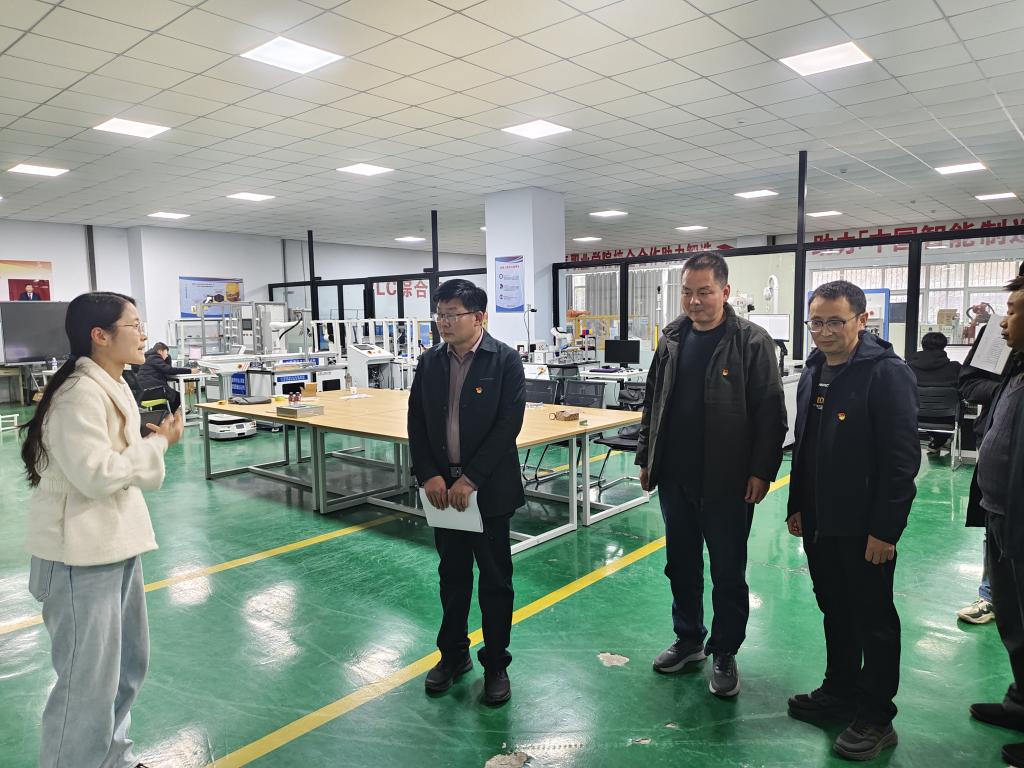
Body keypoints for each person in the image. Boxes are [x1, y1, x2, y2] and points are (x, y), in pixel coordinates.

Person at [20, 292, 184, 768]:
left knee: (126, 668)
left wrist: (153, 445)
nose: (144, 335)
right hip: (77, 555)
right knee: (87, 685)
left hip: (114, 543)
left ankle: (113, 760)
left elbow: (116, 465)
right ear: (100, 335)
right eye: (134, 325)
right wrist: (158, 446)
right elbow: (96, 475)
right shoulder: (78, 395)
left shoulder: (112, 384)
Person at [636, 252, 786, 698]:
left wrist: (761, 471)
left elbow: (771, 413)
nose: (694, 301)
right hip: (676, 477)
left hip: (728, 481)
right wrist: (646, 458)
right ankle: (689, 640)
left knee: (727, 571)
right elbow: (652, 402)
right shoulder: (672, 338)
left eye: (704, 292)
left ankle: (724, 651)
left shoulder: (751, 342)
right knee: (680, 565)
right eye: (687, 292)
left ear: (725, 292)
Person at [785, 280, 920, 761]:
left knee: (873, 619)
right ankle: (840, 691)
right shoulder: (814, 368)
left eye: (835, 322)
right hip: (821, 520)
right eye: (816, 322)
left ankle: (877, 717)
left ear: (862, 320)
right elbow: (804, 445)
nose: (823, 332)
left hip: (865, 527)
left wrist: (886, 530)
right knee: (835, 609)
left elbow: (901, 461)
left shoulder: (887, 374)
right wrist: (797, 504)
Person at [407, 279, 526, 706]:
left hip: (488, 491)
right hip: (443, 492)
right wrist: (429, 475)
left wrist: (471, 479)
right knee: (452, 578)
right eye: (439, 315)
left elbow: (508, 426)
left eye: (451, 315)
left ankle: (495, 664)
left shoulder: (505, 360)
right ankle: (453, 655)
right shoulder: (429, 362)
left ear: (479, 317)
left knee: (495, 582)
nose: (443, 323)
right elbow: (417, 421)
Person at [966, 275, 1024, 767]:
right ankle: (1021, 704)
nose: (1003, 322)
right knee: (1013, 616)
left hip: (1019, 518)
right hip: (1000, 512)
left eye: (1014, 311)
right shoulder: (1016, 366)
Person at [957, 261, 1024, 625]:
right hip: (998, 444)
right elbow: (967, 383)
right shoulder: (996, 337)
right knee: (995, 527)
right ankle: (990, 595)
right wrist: (1006, 391)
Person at [907, 331, 962, 453]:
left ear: (923, 345)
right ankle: (939, 440)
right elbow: (964, 391)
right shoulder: (955, 368)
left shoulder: (909, 368)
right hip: (947, 418)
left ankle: (937, 440)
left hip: (915, 417)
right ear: (944, 346)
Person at [135, 341, 198, 413]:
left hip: (144, 391)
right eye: (166, 353)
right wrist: (190, 371)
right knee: (177, 396)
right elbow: (169, 369)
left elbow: (165, 370)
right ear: (160, 351)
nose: (167, 355)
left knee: (168, 397)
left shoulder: (148, 357)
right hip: (151, 390)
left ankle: (163, 416)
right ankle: (168, 416)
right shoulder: (154, 358)